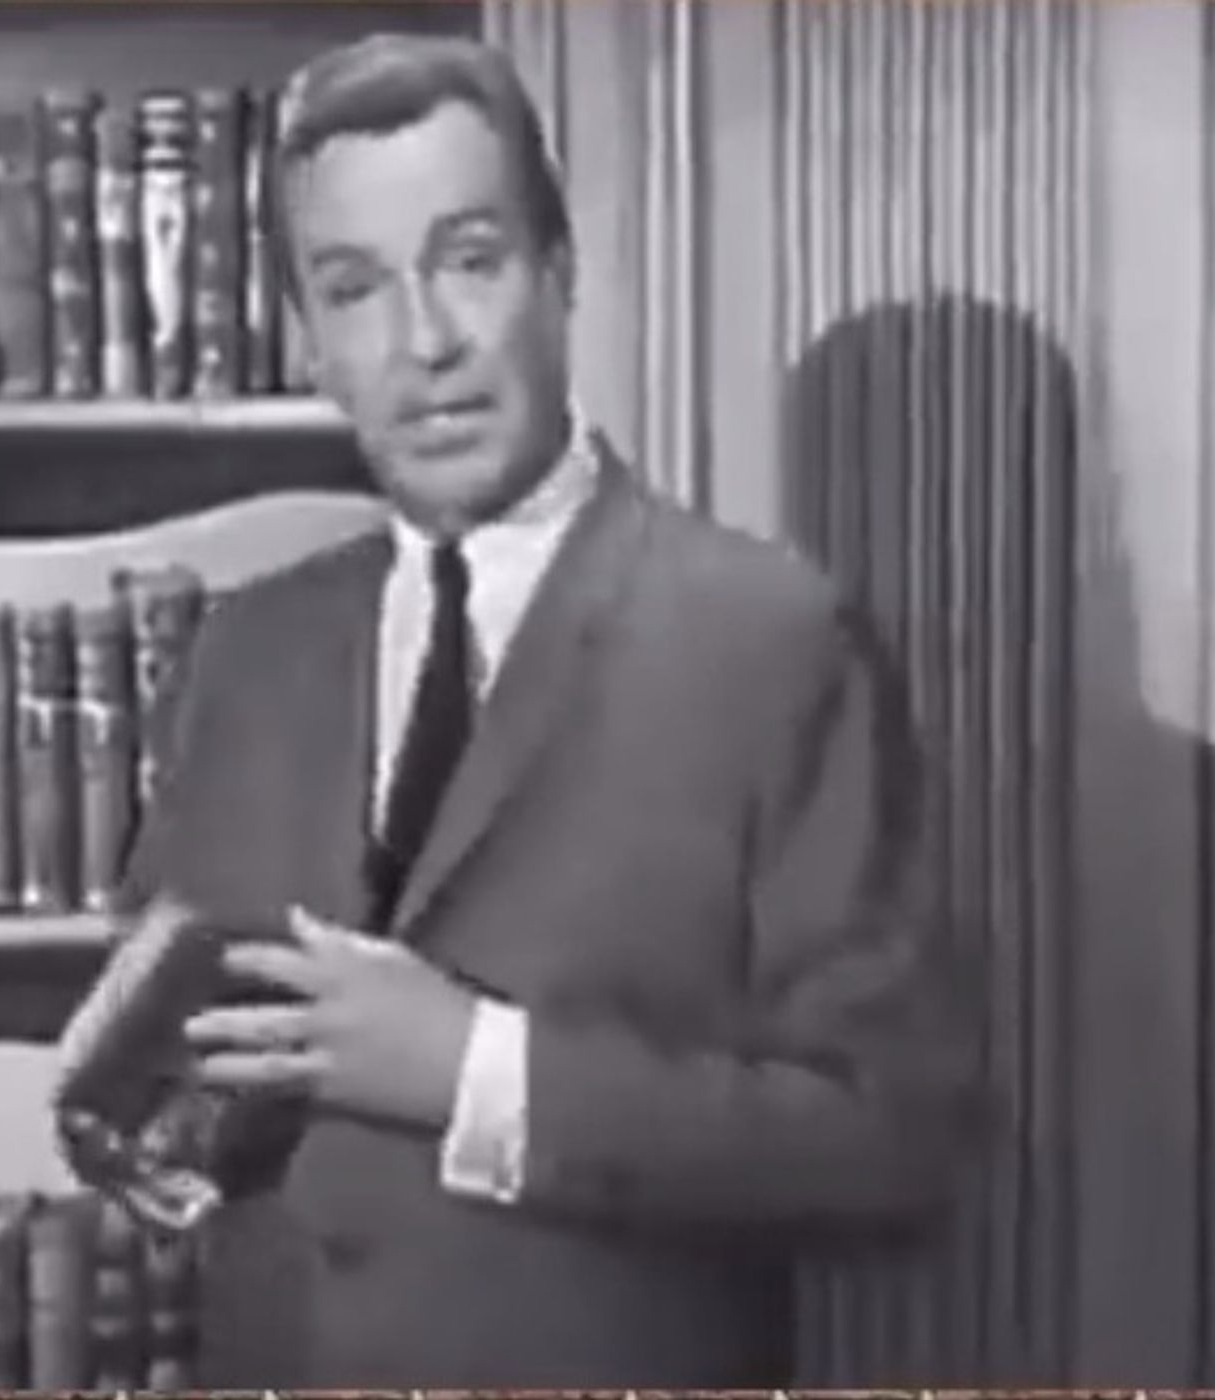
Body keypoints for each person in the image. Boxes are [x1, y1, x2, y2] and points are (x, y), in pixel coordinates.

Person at [108, 30, 983, 1389]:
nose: (424, 344)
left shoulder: (771, 642)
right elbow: (184, 1050)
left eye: (469, 260)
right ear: (309, 340)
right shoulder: (250, 649)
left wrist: (474, 1071)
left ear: (561, 274)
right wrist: (150, 1116)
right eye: (354, 288)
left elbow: (895, 1147)